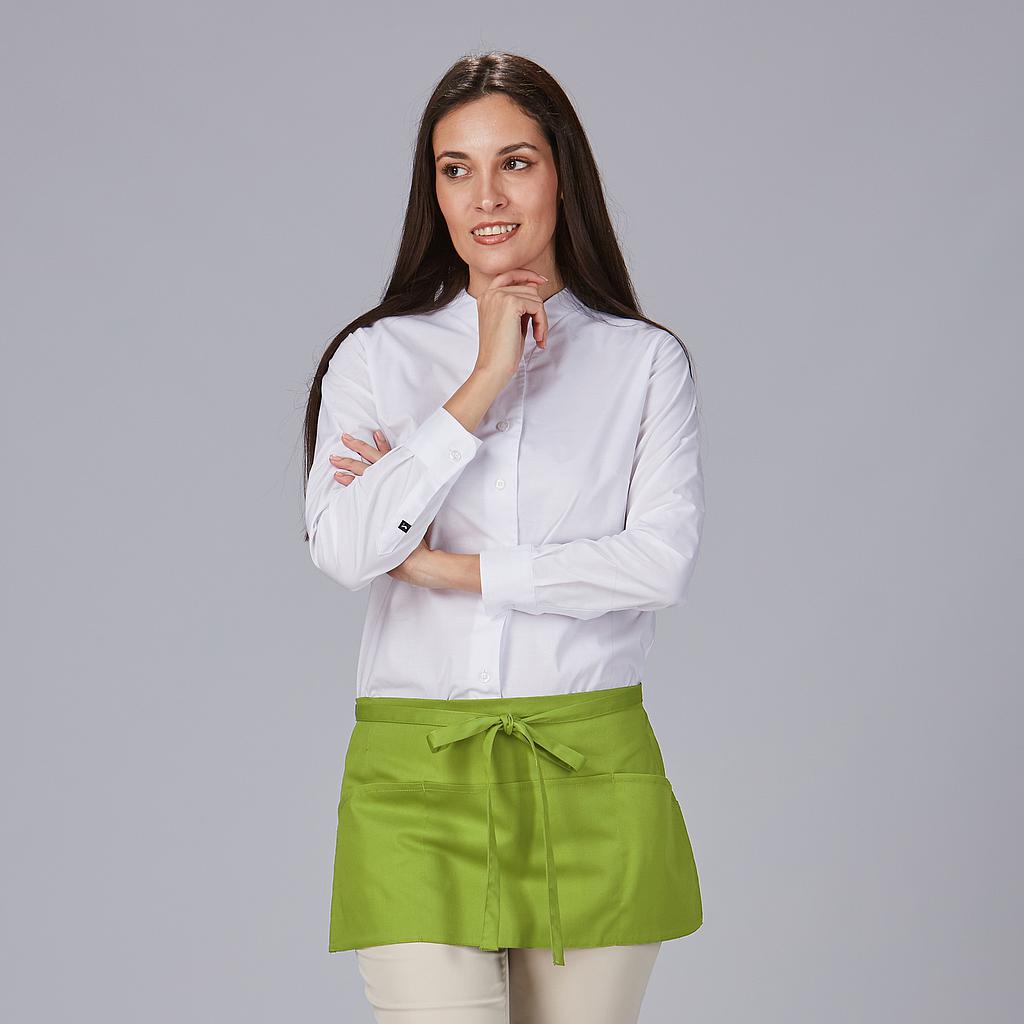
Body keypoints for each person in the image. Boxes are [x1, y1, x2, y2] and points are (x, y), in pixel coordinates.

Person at [302, 51, 706, 1024]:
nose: (485, 196)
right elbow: (347, 550)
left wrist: (451, 568)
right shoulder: (375, 358)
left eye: (514, 162)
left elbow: (657, 564)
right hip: (417, 779)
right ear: (433, 191)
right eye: (456, 169)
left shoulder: (644, 364)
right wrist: (478, 383)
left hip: (591, 771)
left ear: (563, 173)